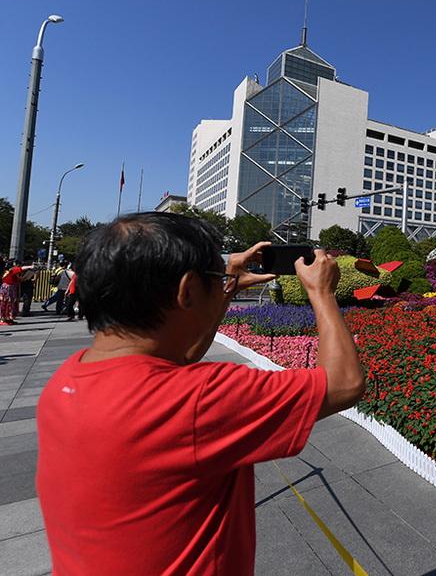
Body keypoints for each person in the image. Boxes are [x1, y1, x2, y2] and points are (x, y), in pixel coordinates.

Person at [36, 212, 364, 574]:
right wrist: (322, 292)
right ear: (187, 291)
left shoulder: (65, 381)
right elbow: (343, 382)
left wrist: (224, 287)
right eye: (216, 279)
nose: (222, 283)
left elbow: (178, 358)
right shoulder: (200, 398)